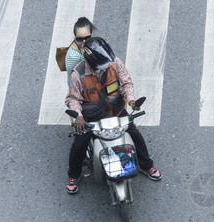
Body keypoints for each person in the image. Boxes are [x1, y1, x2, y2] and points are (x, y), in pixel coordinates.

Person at [65, 37, 161, 194]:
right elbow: (73, 99)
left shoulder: (115, 62)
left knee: (135, 134)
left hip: (116, 111)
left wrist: (131, 101)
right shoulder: (78, 74)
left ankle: (146, 165)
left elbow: (126, 83)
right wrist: (79, 117)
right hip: (91, 117)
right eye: (104, 63)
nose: (108, 65)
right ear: (92, 62)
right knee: (79, 143)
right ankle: (73, 175)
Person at [65, 17, 95, 86]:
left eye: (87, 37)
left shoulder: (82, 46)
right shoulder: (74, 57)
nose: (84, 41)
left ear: (92, 33)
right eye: (79, 39)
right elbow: (73, 81)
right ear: (75, 37)